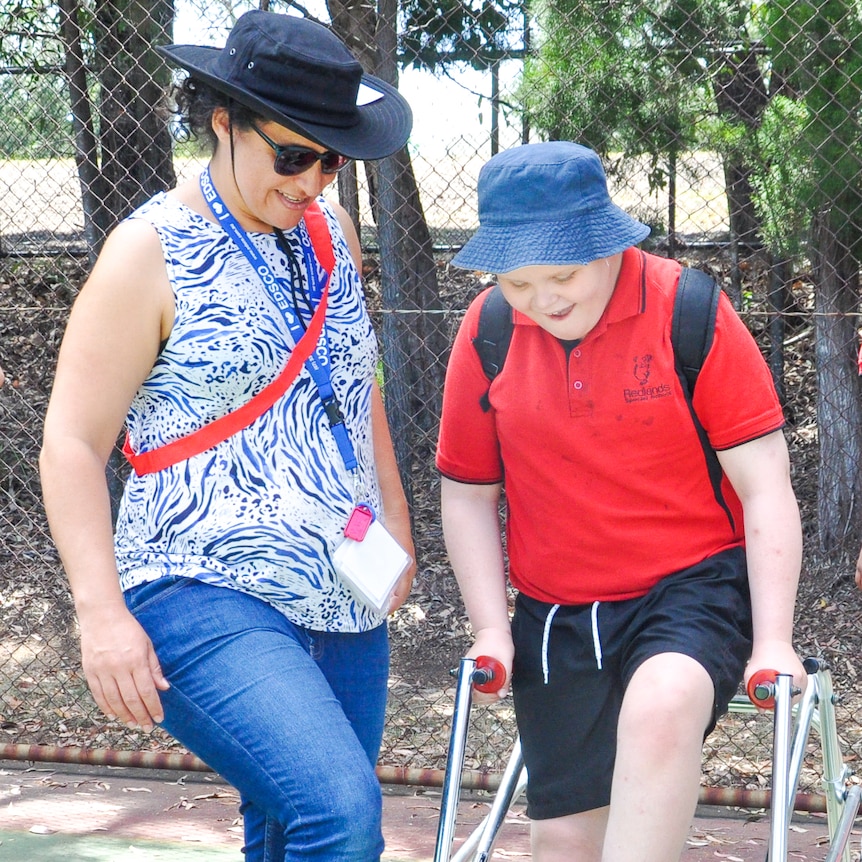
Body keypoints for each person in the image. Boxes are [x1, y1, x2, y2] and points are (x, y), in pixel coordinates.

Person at [40, 11, 415, 861]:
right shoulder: (150, 252)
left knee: (288, 828)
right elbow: (69, 440)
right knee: (341, 810)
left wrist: (393, 512)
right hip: (199, 581)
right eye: (292, 154)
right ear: (222, 121)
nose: (313, 180)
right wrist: (100, 616)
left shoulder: (331, 233)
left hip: (342, 581)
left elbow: (354, 384)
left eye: (332, 159)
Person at [436, 141, 805, 862]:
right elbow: (467, 494)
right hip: (557, 611)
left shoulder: (688, 311)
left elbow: (765, 487)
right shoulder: (487, 332)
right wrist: (490, 626)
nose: (541, 300)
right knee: (566, 845)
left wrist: (775, 640)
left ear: (606, 242)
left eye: (561, 275)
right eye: (515, 282)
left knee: (661, 709)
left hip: (691, 587)